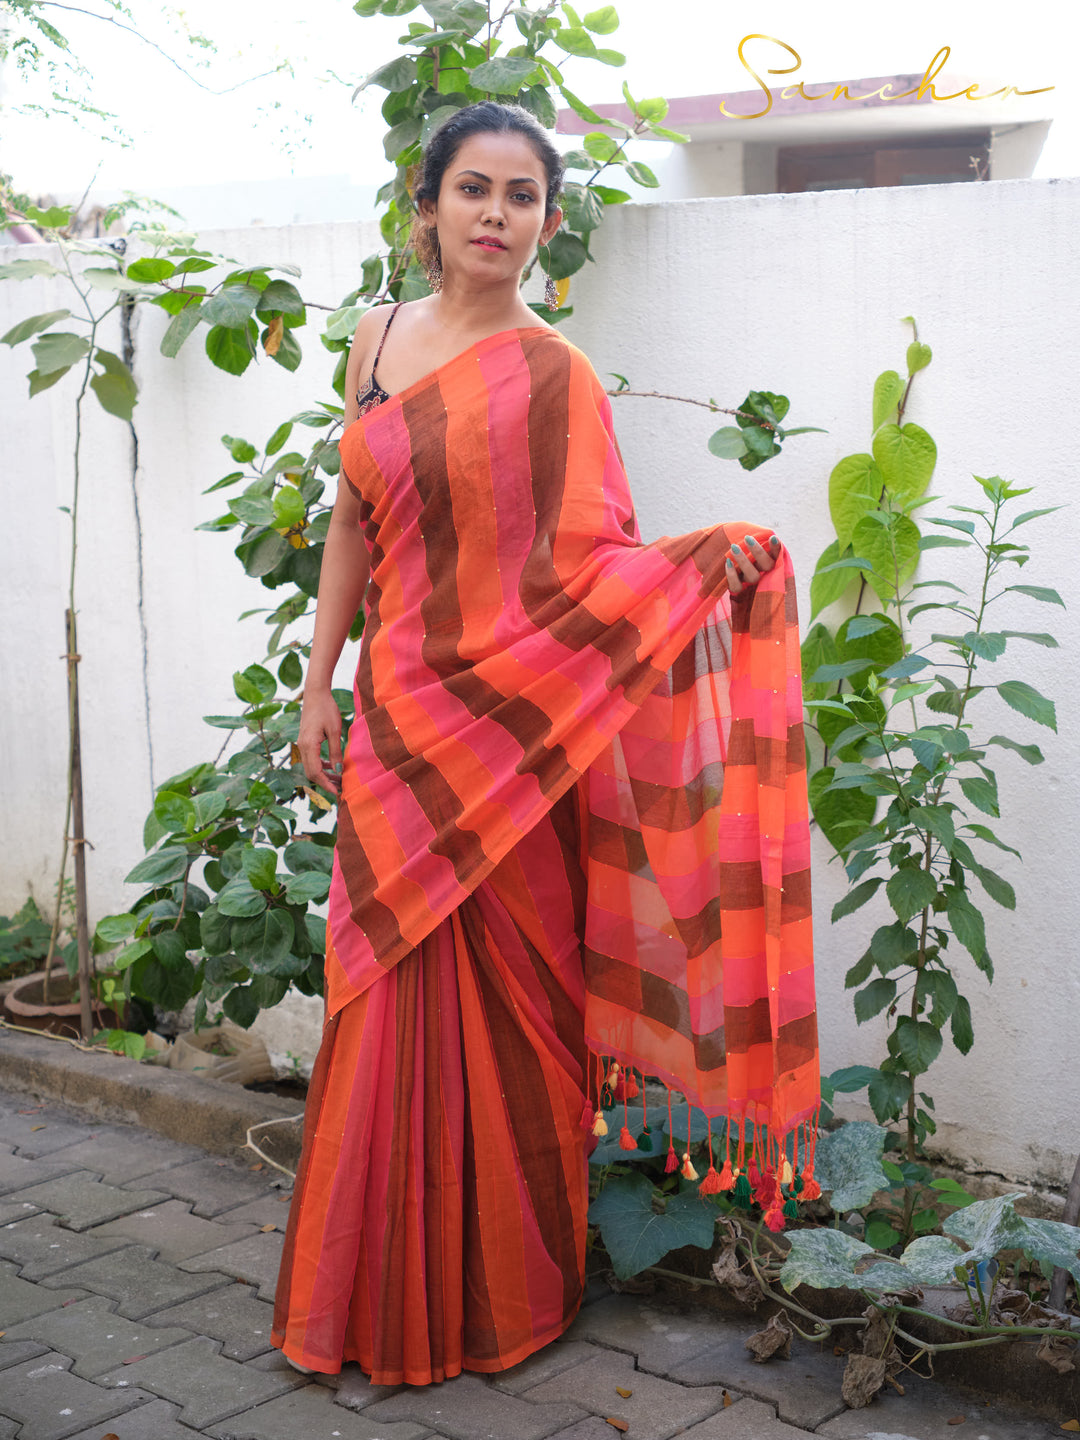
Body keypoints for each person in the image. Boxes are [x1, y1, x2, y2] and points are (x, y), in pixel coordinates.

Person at [271, 100, 818, 1387]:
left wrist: (705, 563)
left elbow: (592, 566)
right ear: (429, 205)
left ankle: (496, 1291)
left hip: (511, 737)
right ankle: (368, 1290)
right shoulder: (376, 339)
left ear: (549, 223)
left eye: (522, 197)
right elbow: (354, 521)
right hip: (402, 715)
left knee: (514, 1007)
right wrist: (318, 684)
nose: (496, 216)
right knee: (388, 996)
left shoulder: (556, 373)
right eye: (474, 189)